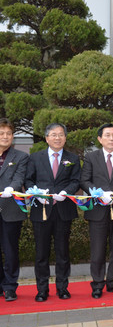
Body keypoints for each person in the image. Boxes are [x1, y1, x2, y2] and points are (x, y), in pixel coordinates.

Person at [25, 123, 81, 302]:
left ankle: (62, 287)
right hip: (41, 209)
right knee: (41, 252)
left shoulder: (73, 157)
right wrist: (36, 193)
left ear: (65, 137)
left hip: (63, 210)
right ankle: (42, 289)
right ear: (47, 138)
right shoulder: (35, 158)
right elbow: (28, 179)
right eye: (54, 135)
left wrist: (66, 192)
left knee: (63, 251)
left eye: (61, 134)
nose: (58, 138)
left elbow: (76, 180)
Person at [80, 123, 113, 299]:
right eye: (108, 135)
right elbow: (84, 181)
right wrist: (98, 193)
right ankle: (97, 284)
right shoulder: (90, 157)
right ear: (99, 139)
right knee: (98, 249)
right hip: (97, 209)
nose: (111, 138)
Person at [0, 119, 29, 302]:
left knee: (10, 250)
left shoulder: (20, 157)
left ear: (13, 136)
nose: (5, 137)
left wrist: (12, 188)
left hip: (11, 209)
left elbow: (19, 179)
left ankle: (10, 286)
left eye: (8, 134)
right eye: (2, 133)